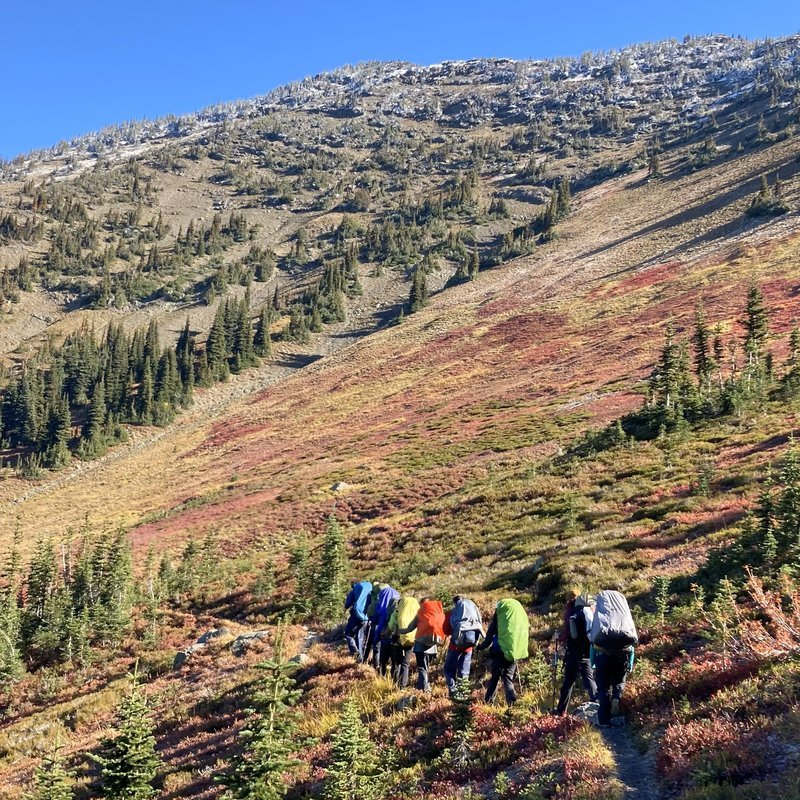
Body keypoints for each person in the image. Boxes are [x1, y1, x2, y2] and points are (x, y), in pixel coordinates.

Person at [589, 589, 638, 727]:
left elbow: (593, 643)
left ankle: (604, 720)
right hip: (622, 655)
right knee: (619, 682)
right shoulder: (624, 616)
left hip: (603, 656)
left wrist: (593, 663)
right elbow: (631, 645)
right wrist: (630, 663)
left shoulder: (600, 615)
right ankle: (616, 698)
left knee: (603, 687)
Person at [477, 598, 529, 706]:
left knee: (495, 678)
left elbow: (489, 636)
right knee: (508, 677)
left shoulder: (499, 618)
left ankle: (488, 702)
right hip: (513, 652)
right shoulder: (517, 619)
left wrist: (480, 647)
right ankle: (512, 702)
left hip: (499, 651)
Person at [555, 593, 597, 715]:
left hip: (574, 651)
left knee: (568, 681)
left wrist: (561, 637)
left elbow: (571, 633)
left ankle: (561, 711)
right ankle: (598, 703)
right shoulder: (591, 612)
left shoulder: (574, 612)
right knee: (589, 678)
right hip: (587, 651)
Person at [398, 596, 446, 693]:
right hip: (433, 646)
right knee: (426, 667)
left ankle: (426, 689)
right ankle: (420, 687)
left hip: (420, 645)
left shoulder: (420, 614)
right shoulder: (438, 614)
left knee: (422, 668)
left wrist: (400, 631)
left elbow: (410, 628)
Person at [442, 595, 484, 697]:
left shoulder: (453, 612)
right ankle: (463, 693)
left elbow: (446, 629)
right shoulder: (473, 611)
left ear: (455, 603)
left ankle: (453, 690)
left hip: (455, 646)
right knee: (464, 671)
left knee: (449, 668)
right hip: (469, 646)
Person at [389, 595, 420, 687]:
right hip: (411, 641)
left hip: (397, 640)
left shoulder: (397, 613)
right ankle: (403, 685)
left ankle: (394, 682)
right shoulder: (417, 614)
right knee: (405, 663)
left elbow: (390, 626)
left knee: (396, 662)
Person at [371, 584, 399, 672]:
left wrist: (376, 638)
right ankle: (394, 679)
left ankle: (379, 670)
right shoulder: (398, 604)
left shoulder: (382, 604)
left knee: (382, 654)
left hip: (385, 634)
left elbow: (378, 618)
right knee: (396, 661)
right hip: (397, 637)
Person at [343, 580, 372, 662]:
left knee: (348, 633)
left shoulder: (355, 590)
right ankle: (362, 658)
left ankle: (356, 654)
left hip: (356, 615)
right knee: (360, 637)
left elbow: (348, 603)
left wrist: (345, 608)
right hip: (366, 617)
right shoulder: (370, 590)